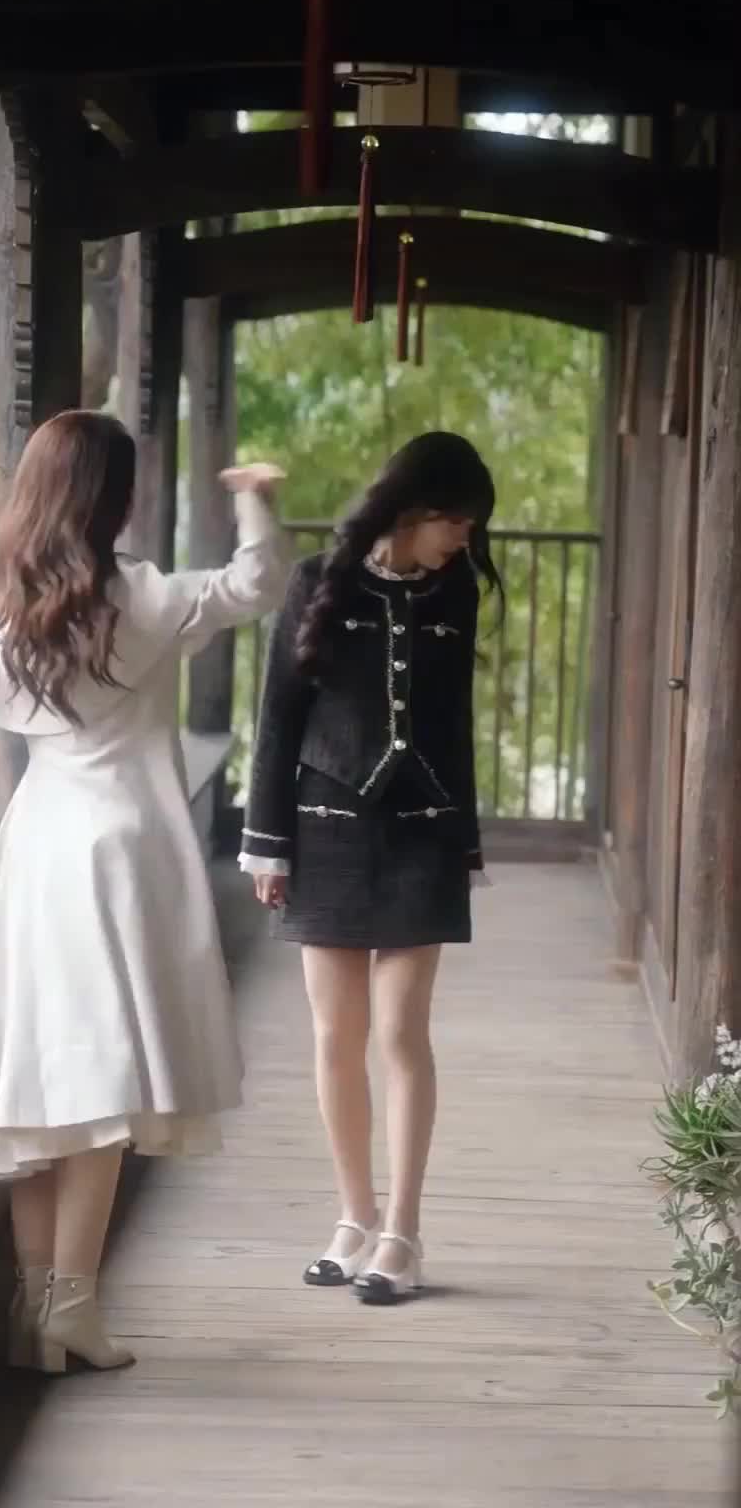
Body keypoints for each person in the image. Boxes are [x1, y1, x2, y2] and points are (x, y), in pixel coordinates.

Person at [0, 411, 288, 1373]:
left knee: (35, 1085)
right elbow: (256, 584)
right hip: (126, 855)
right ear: (117, 500)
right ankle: (73, 1306)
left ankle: (35, 1312)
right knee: (103, 1085)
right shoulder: (149, 598)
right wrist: (256, 501)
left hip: (40, 855)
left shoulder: (5, 614)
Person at [239, 432, 501, 1305]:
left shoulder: (455, 591)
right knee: (334, 1035)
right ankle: (353, 1218)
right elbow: (278, 718)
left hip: (422, 833)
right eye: (458, 522)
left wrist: (465, 843)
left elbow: (454, 721)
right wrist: (267, 842)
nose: (465, 539)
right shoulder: (317, 581)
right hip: (326, 830)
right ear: (415, 509)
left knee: (400, 1032)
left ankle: (403, 1234)